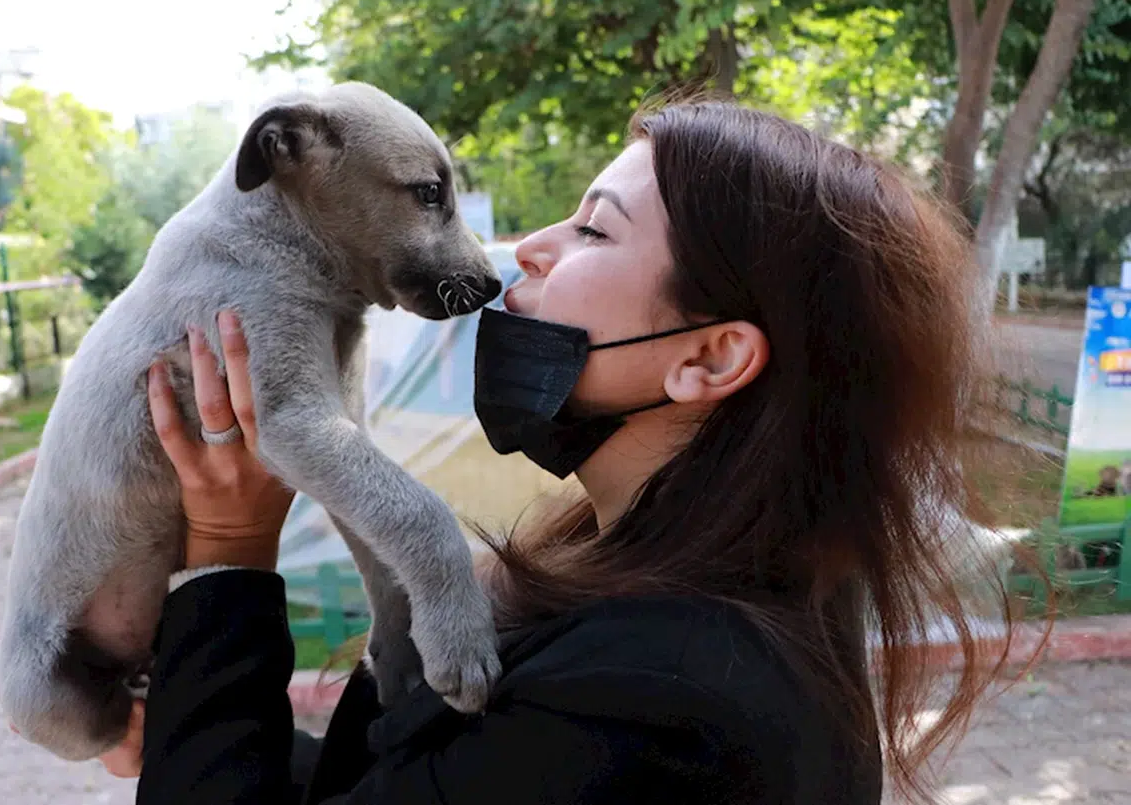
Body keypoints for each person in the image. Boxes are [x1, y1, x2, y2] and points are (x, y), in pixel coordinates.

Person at [98, 99, 1024, 804]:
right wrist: (192, 718)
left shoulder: (656, 694)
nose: (526, 252)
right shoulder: (691, 588)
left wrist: (225, 550)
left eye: (592, 228)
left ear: (712, 355)